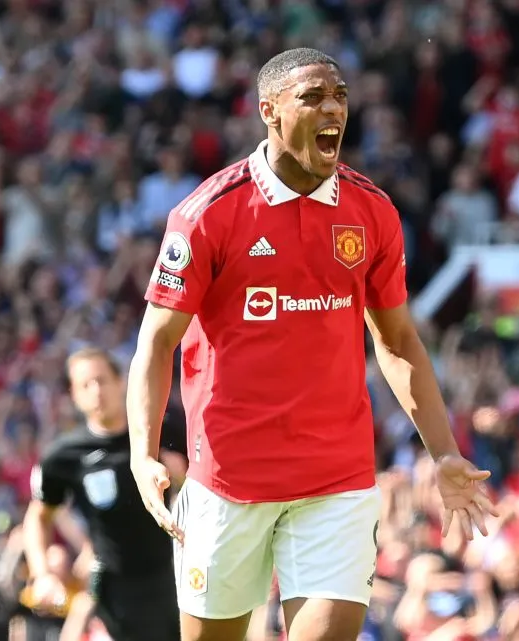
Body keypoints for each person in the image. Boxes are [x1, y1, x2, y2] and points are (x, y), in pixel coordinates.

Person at [127, 47, 498, 641]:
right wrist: (142, 452)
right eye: (313, 97)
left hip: (337, 479)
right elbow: (155, 343)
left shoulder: (371, 210)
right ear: (269, 111)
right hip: (228, 478)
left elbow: (398, 339)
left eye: (341, 96)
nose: (334, 109)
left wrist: (443, 450)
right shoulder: (208, 214)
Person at [23, 348, 181, 641]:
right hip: (120, 590)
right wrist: (42, 573)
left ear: (120, 381)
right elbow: (38, 516)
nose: (96, 391)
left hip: (179, 570)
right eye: (86, 385)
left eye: (102, 380)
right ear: (74, 395)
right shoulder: (64, 456)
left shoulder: (164, 429)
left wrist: (182, 475)